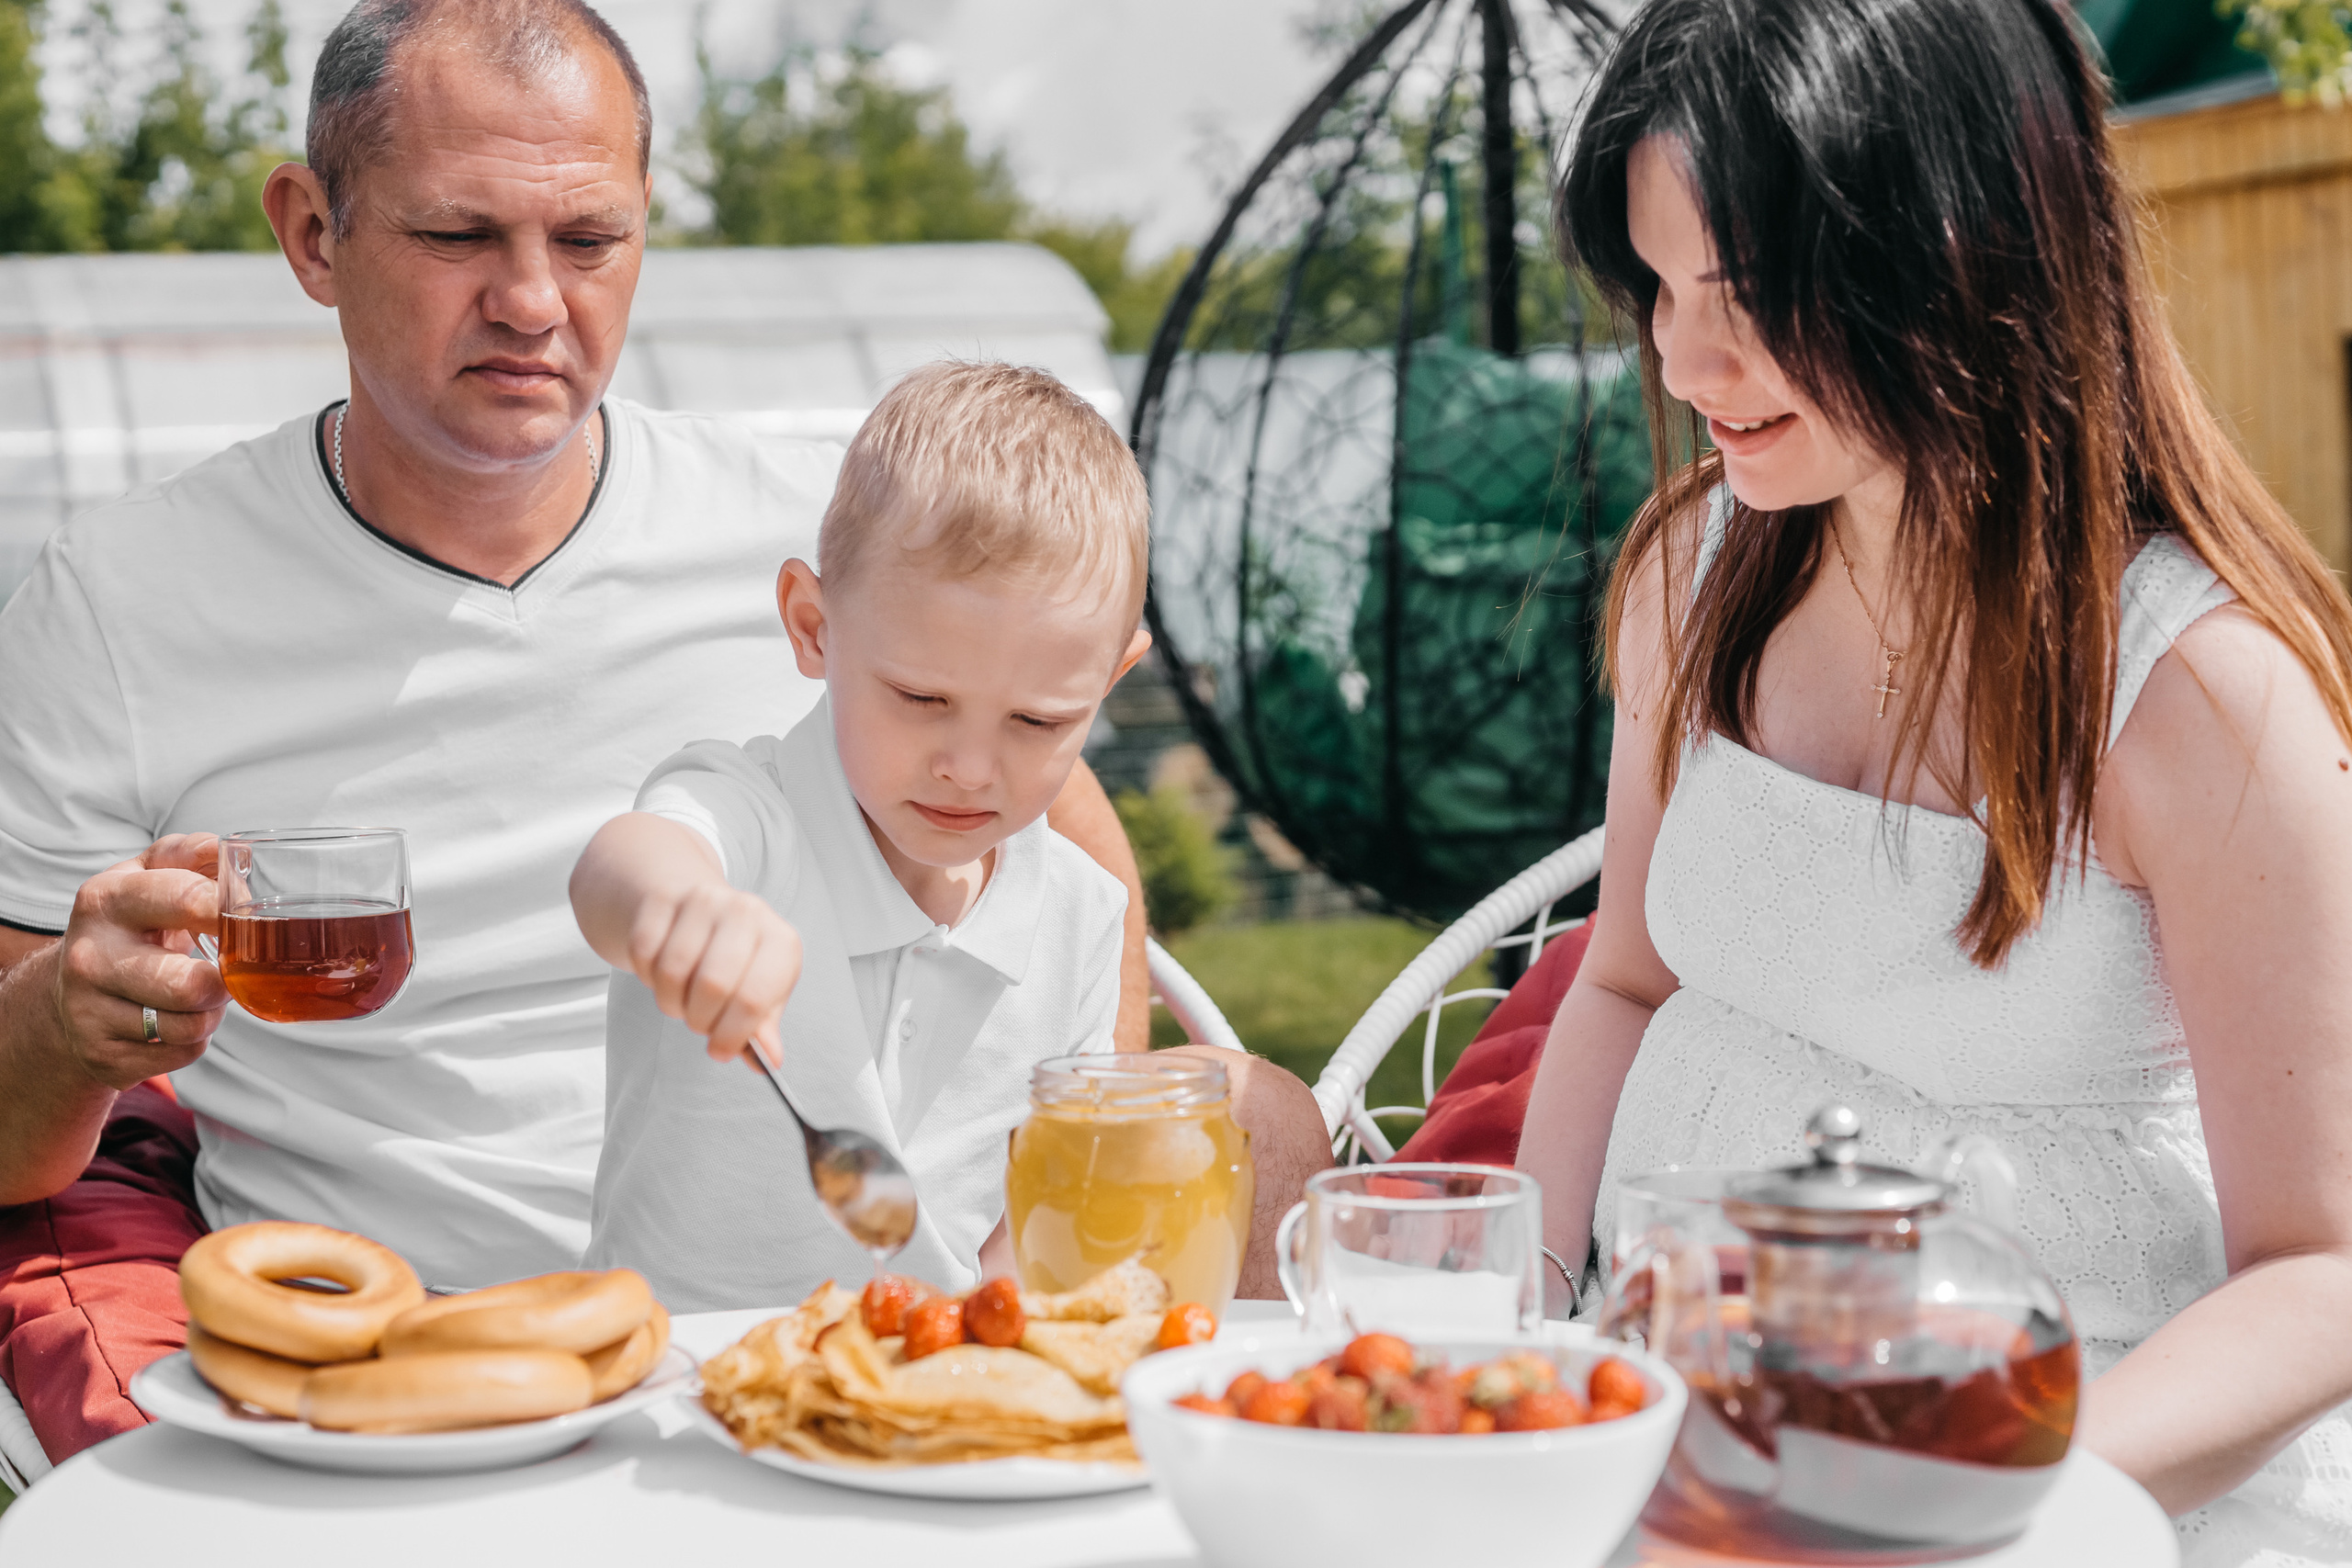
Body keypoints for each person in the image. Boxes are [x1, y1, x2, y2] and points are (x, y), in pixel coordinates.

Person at [0, 0, 1325, 1464]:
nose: (530, 300)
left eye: (589, 241)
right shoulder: (123, 601)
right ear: (314, 233)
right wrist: (71, 1013)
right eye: (458, 237)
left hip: (802, 1321)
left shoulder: (823, 530)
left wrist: (1059, 1175)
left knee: (1257, 1129)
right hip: (406, 1354)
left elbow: (1069, 842)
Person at [1516, 0, 2352, 1560]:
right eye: (1659, 283)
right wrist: (1526, 1329)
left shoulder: (2202, 699)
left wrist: (1970, 1498)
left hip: (2075, 1479)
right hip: (1681, 1436)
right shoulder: (1687, 574)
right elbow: (1623, 981)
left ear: (1964, 249)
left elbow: (2322, 1269)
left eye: (1749, 289)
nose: (1684, 355)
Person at [574, 361, 1152, 1306]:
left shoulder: (1079, 916)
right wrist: (685, 913)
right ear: (813, 626)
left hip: (914, 1394)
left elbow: (1037, 1207)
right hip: (674, 1386)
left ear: (1110, 684)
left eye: (1038, 723)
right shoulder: (746, 815)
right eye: (922, 698)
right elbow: (618, 869)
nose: (970, 767)